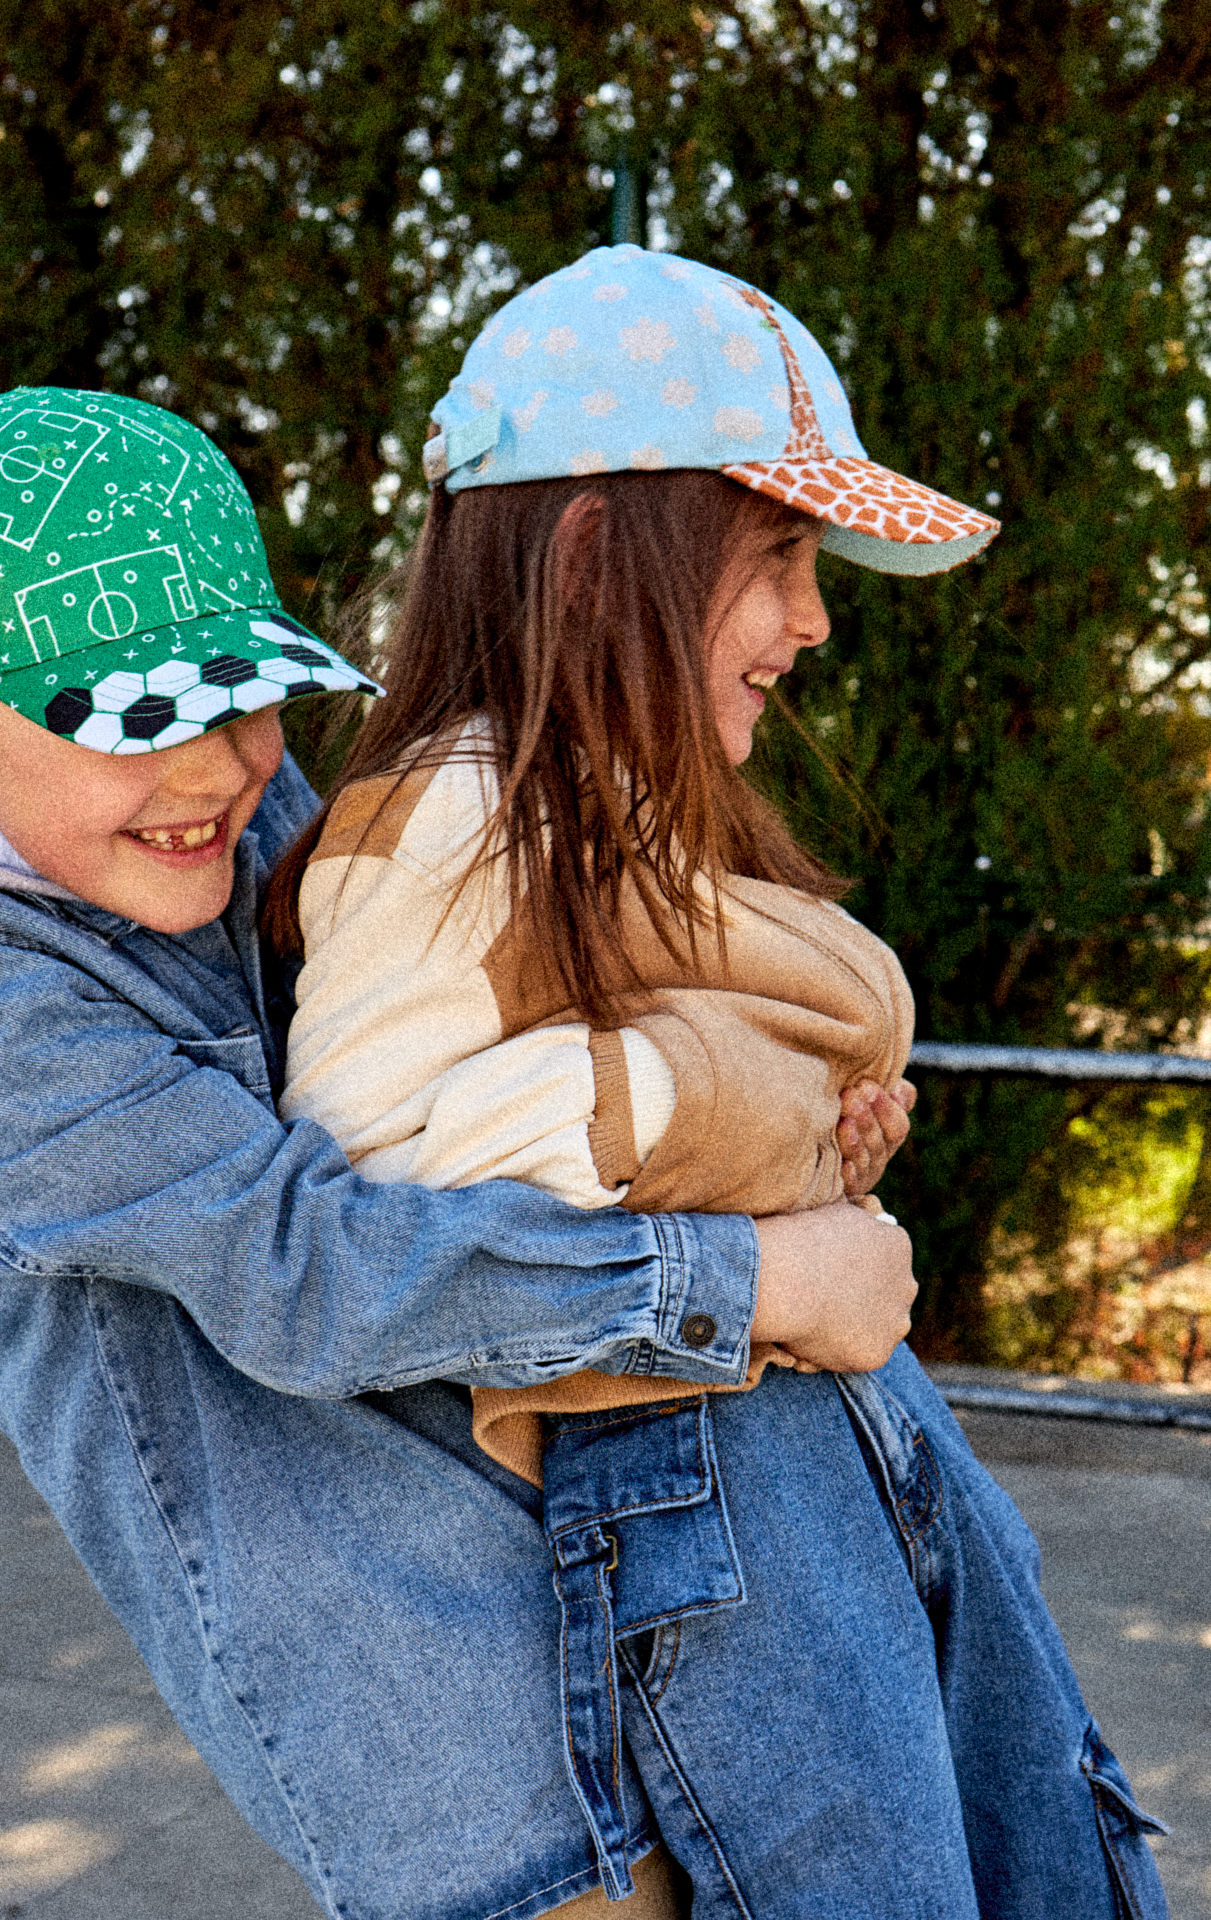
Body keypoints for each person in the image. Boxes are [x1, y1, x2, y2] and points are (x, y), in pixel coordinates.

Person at [0, 384, 944, 1920]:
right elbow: (306, 1265)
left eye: (245, 699)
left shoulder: (195, 831)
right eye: (137, 718)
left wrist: (775, 1119)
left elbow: (460, 1045)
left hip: (595, 1556)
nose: (215, 770)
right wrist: (761, 1273)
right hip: (437, 1717)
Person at [265, 246, 1172, 1917]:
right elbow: (367, 1190)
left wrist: (805, 1129)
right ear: (603, 557)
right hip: (702, 1497)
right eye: (778, 558)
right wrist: (727, 1108)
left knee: (1043, 1845)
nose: (815, 621)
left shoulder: (621, 809)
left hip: (817, 1455)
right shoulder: (449, 818)